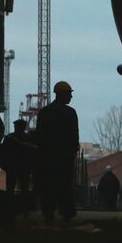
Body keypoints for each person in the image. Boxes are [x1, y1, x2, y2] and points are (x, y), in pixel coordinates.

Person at [35, 80, 80, 222]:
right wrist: (72, 152)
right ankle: (66, 211)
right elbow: (74, 135)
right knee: (64, 185)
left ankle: (48, 211)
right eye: (69, 94)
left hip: (48, 158)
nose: (71, 97)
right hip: (64, 158)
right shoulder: (70, 113)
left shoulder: (44, 113)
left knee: (48, 185)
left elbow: (40, 136)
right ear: (63, 94)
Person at [0, 118, 36, 209]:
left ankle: (9, 207)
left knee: (10, 189)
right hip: (24, 167)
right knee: (24, 189)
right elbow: (32, 154)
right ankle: (25, 209)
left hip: (12, 167)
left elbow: (3, 152)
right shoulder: (29, 139)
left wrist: (3, 164)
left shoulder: (9, 137)